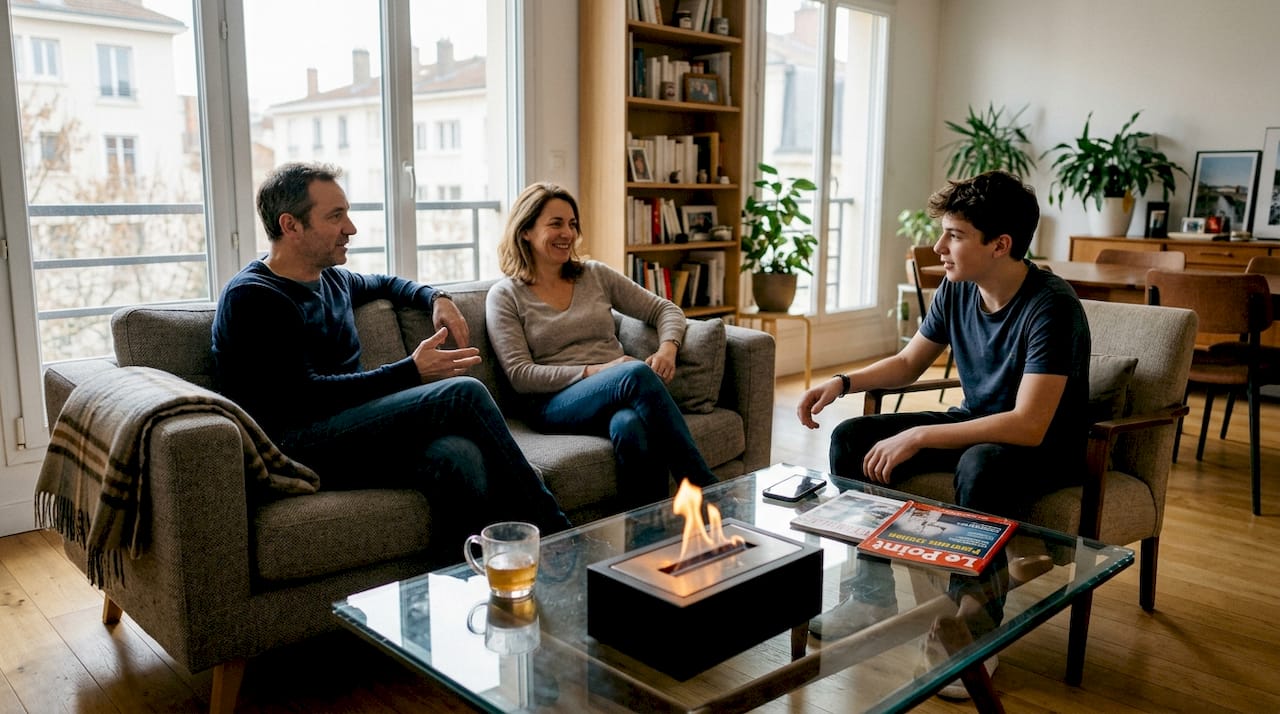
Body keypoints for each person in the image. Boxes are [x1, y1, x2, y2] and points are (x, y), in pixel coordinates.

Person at [796, 171, 1089, 695]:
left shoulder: (1052, 306)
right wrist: (842, 383)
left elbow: (1028, 424)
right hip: (976, 426)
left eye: (953, 234)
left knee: (982, 463)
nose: (938, 247)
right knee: (850, 438)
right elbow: (910, 363)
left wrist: (921, 437)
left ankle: (971, 625)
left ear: (1000, 245)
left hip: (1042, 448)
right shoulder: (958, 290)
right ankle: (870, 594)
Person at [211, 162, 570, 550]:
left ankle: (472, 580)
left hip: (352, 432)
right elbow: (304, 397)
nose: (351, 228)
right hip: (297, 443)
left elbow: (386, 283)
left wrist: (437, 297)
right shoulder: (254, 297)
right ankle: (560, 538)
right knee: (462, 393)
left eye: (347, 213)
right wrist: (410, 371)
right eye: (336, 216)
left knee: (458, 455)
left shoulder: (330, 278)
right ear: (291, 225)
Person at [485, 182, 718, 508]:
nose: (567, 233)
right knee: (634, 374)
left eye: (572, 224)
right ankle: (709, 493)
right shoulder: (505, 295)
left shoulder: (594, 275)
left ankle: (646, 541)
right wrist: (599, 371)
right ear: (525, 231)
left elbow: (664, 309)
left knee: (630, 426)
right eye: (555, 224)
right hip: (553, 404)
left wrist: (668, 347)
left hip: (615, 391)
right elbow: (521, 374)